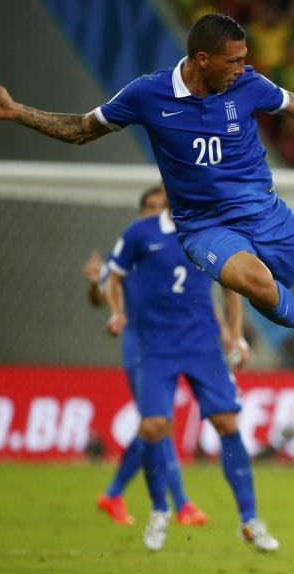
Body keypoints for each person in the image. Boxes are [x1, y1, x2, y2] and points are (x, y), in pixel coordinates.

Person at [0, 12, 294, 378]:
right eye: (235, 60)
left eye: (245, 59)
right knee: (260, 283)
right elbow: (83, 130)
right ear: (203, 59)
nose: (244, 68)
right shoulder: (147, 94)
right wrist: (18, 111)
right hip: (205, 227)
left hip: (266, 212)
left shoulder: (247, 85)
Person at [105, 204, 278, 552]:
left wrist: (234, 334)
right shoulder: (142, 232)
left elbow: (232, 285)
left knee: (227, 422)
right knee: (153, 426)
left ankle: (249, 519)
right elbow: (113, 275)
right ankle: (159, 510)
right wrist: (117, 312)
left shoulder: (212, 230)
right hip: (155, 346)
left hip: (203, 345)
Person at [83, 185, 209, 527]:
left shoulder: (177, 246)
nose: (156, 212)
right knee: (159, 422)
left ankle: (112, 493)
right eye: (149, 207)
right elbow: (100, 296)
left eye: (161, 206)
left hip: (174, 344)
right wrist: (96, 285)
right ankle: (182, 503)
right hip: (139, 343)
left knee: (155, 424)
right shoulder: (132, 246)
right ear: (141, 212)